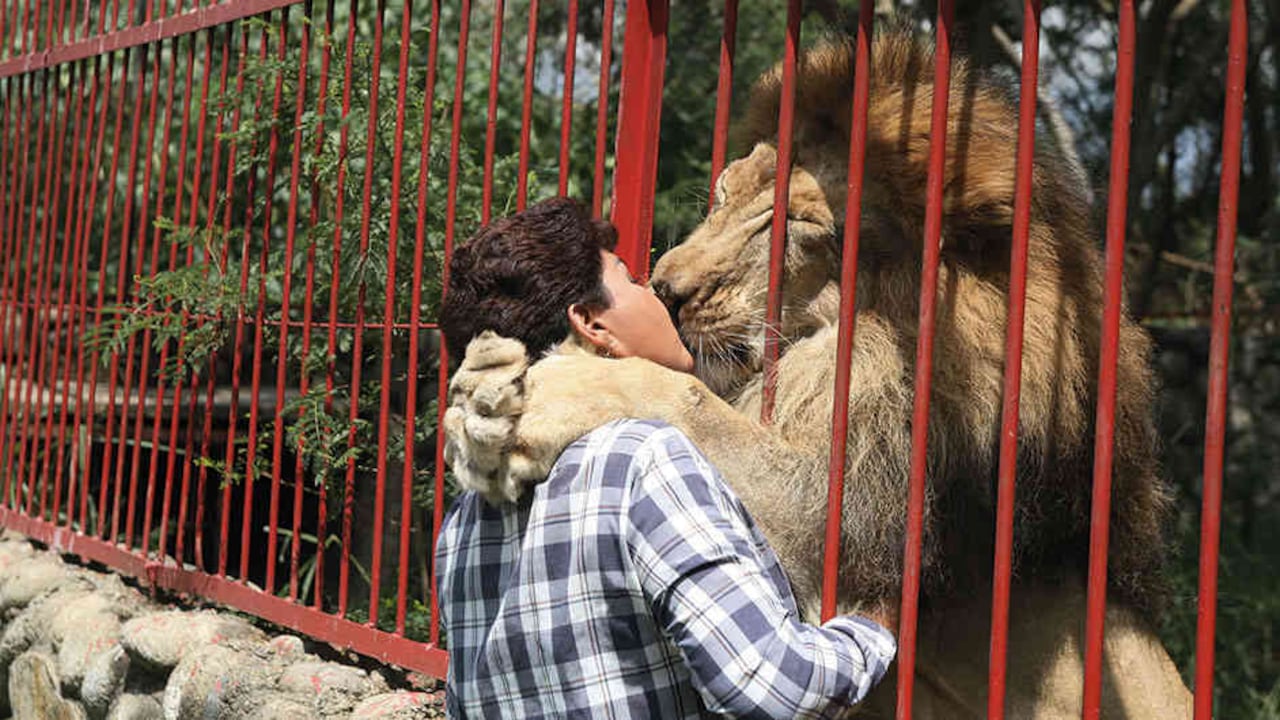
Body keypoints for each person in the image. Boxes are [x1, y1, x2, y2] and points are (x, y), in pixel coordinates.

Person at [436, 197, 897, 719]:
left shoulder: (464, 520)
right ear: (592, 324)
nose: (660, 289)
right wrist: (873, 630)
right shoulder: (643, 459)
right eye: (632, 281)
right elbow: (775, 689)